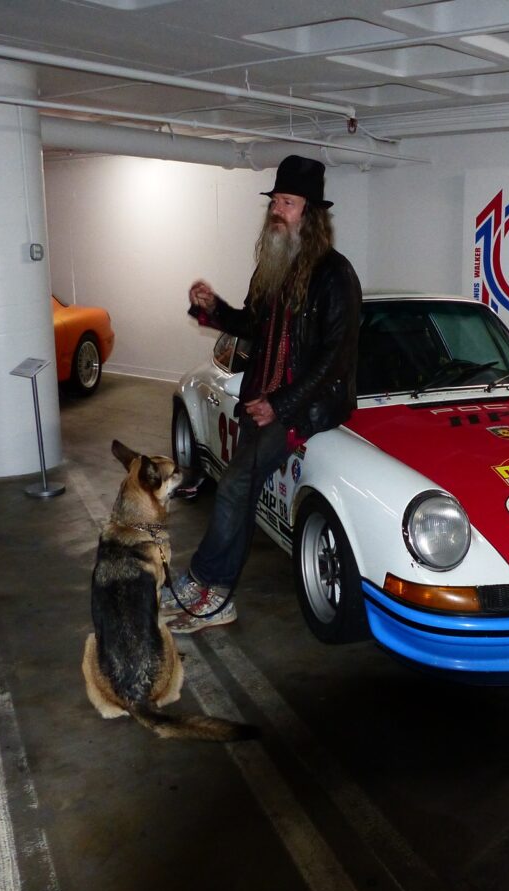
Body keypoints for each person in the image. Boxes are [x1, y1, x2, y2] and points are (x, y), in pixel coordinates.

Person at [162, 155, 362, 632]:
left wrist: (283, 404)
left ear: (309, 214)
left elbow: (334, 359)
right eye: (274, 201)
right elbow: (251, 325)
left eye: (287, 203)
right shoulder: (273, 264)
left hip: (301, 410)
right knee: (240, 494)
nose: (276, 210)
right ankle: (213, 587)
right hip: (262, 401)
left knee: (232, 488)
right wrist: (212, 310)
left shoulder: (335, 276)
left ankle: (208, 583)